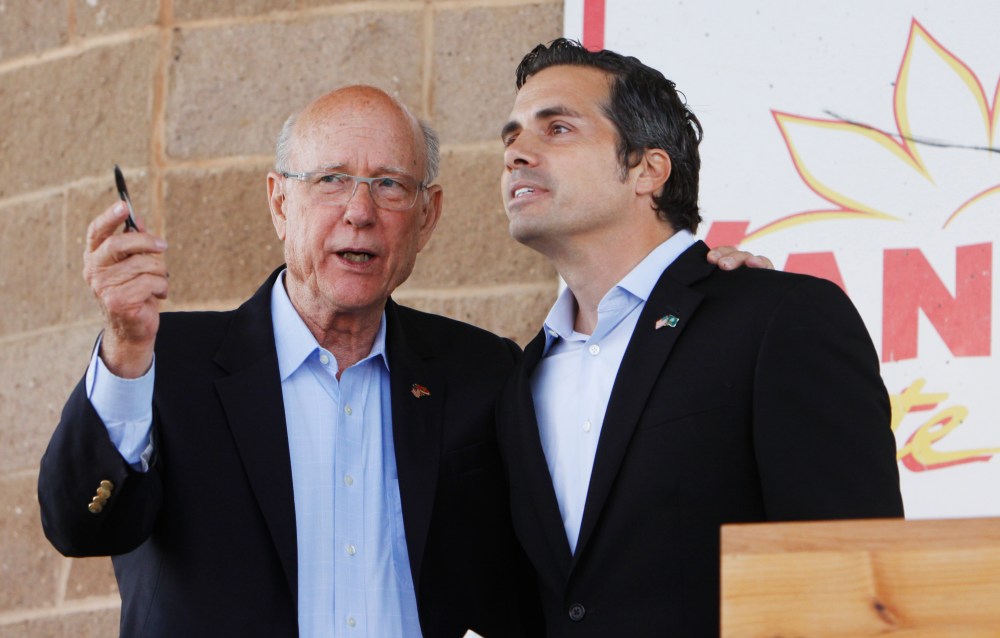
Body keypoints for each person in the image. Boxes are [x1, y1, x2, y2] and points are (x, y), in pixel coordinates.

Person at [38, 84, 763, 636]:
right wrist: (125, 352)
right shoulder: (168, 364)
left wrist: (698, 296)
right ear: (279, 203)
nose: (360, 211)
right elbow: (80, 525)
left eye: (390, 185)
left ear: (427, 216)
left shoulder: (482, 373)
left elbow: (588, 521)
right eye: (330, 180)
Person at [495, 39, 904, 637]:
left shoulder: (779, 318)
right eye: (511, 137)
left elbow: (856, 579)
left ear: (647, 169)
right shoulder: (520, 378)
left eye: (557, 128)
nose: (517, 154)